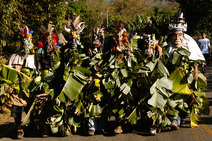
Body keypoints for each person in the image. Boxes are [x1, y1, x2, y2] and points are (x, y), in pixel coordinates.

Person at [167, 11, 205, 130]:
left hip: (186, 76)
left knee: (187, 97)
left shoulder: (189, 43)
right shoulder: (168, 46)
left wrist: (196, 71)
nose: (177, 38)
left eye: (179, 35)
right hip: (174, 76)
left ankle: (181, 117)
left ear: (183, 35)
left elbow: (195, 59)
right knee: (174, 97)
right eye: (174, 35)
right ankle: (175, 119)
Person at [8, 26, 36, 139]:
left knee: (32, 110)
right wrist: (9, 87)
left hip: (29, 88)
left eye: (28, 41)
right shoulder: (14, 56)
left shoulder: (34, 57)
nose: (26, 45)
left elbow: (37, 73)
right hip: (16, 89)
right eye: (24, 41)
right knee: (16, 110)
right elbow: (8, 73)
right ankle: (19, 129)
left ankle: (31, 126)